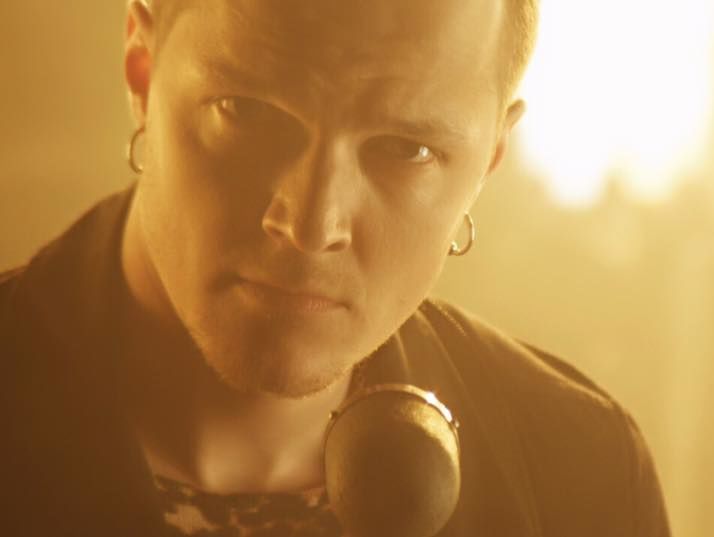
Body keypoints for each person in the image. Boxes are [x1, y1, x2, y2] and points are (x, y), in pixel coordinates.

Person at [0, 0, 671, 535]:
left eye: (406, 149)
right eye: (247, 112)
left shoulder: (584, 479)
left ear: (488, 160)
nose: (312, 225)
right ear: (143, 71)